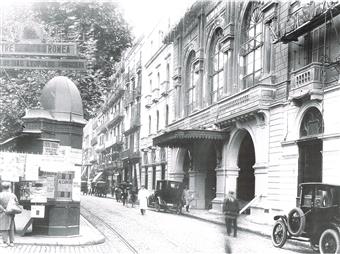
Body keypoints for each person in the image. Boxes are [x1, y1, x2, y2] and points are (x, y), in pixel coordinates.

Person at [0, 182, 18, 247]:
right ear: (9, 187)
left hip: (3, 213)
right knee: (11, 227)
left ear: (2, 187)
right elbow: (16, 203)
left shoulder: (0, 195)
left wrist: (4, 209)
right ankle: (11, 242)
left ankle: (5, 242)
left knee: (4, 227)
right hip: (11, 213)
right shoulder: (12, 195)